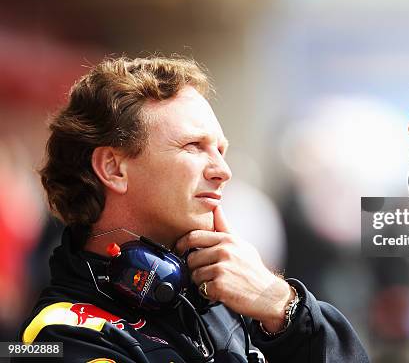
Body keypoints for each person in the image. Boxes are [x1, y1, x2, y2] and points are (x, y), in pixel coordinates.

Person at [16, 57, 369, 363]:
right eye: (194, 146)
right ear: (113, 168)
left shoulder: (228, 297)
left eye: (221, 150)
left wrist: (283, 307)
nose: (223, 170)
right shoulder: (62, 336)